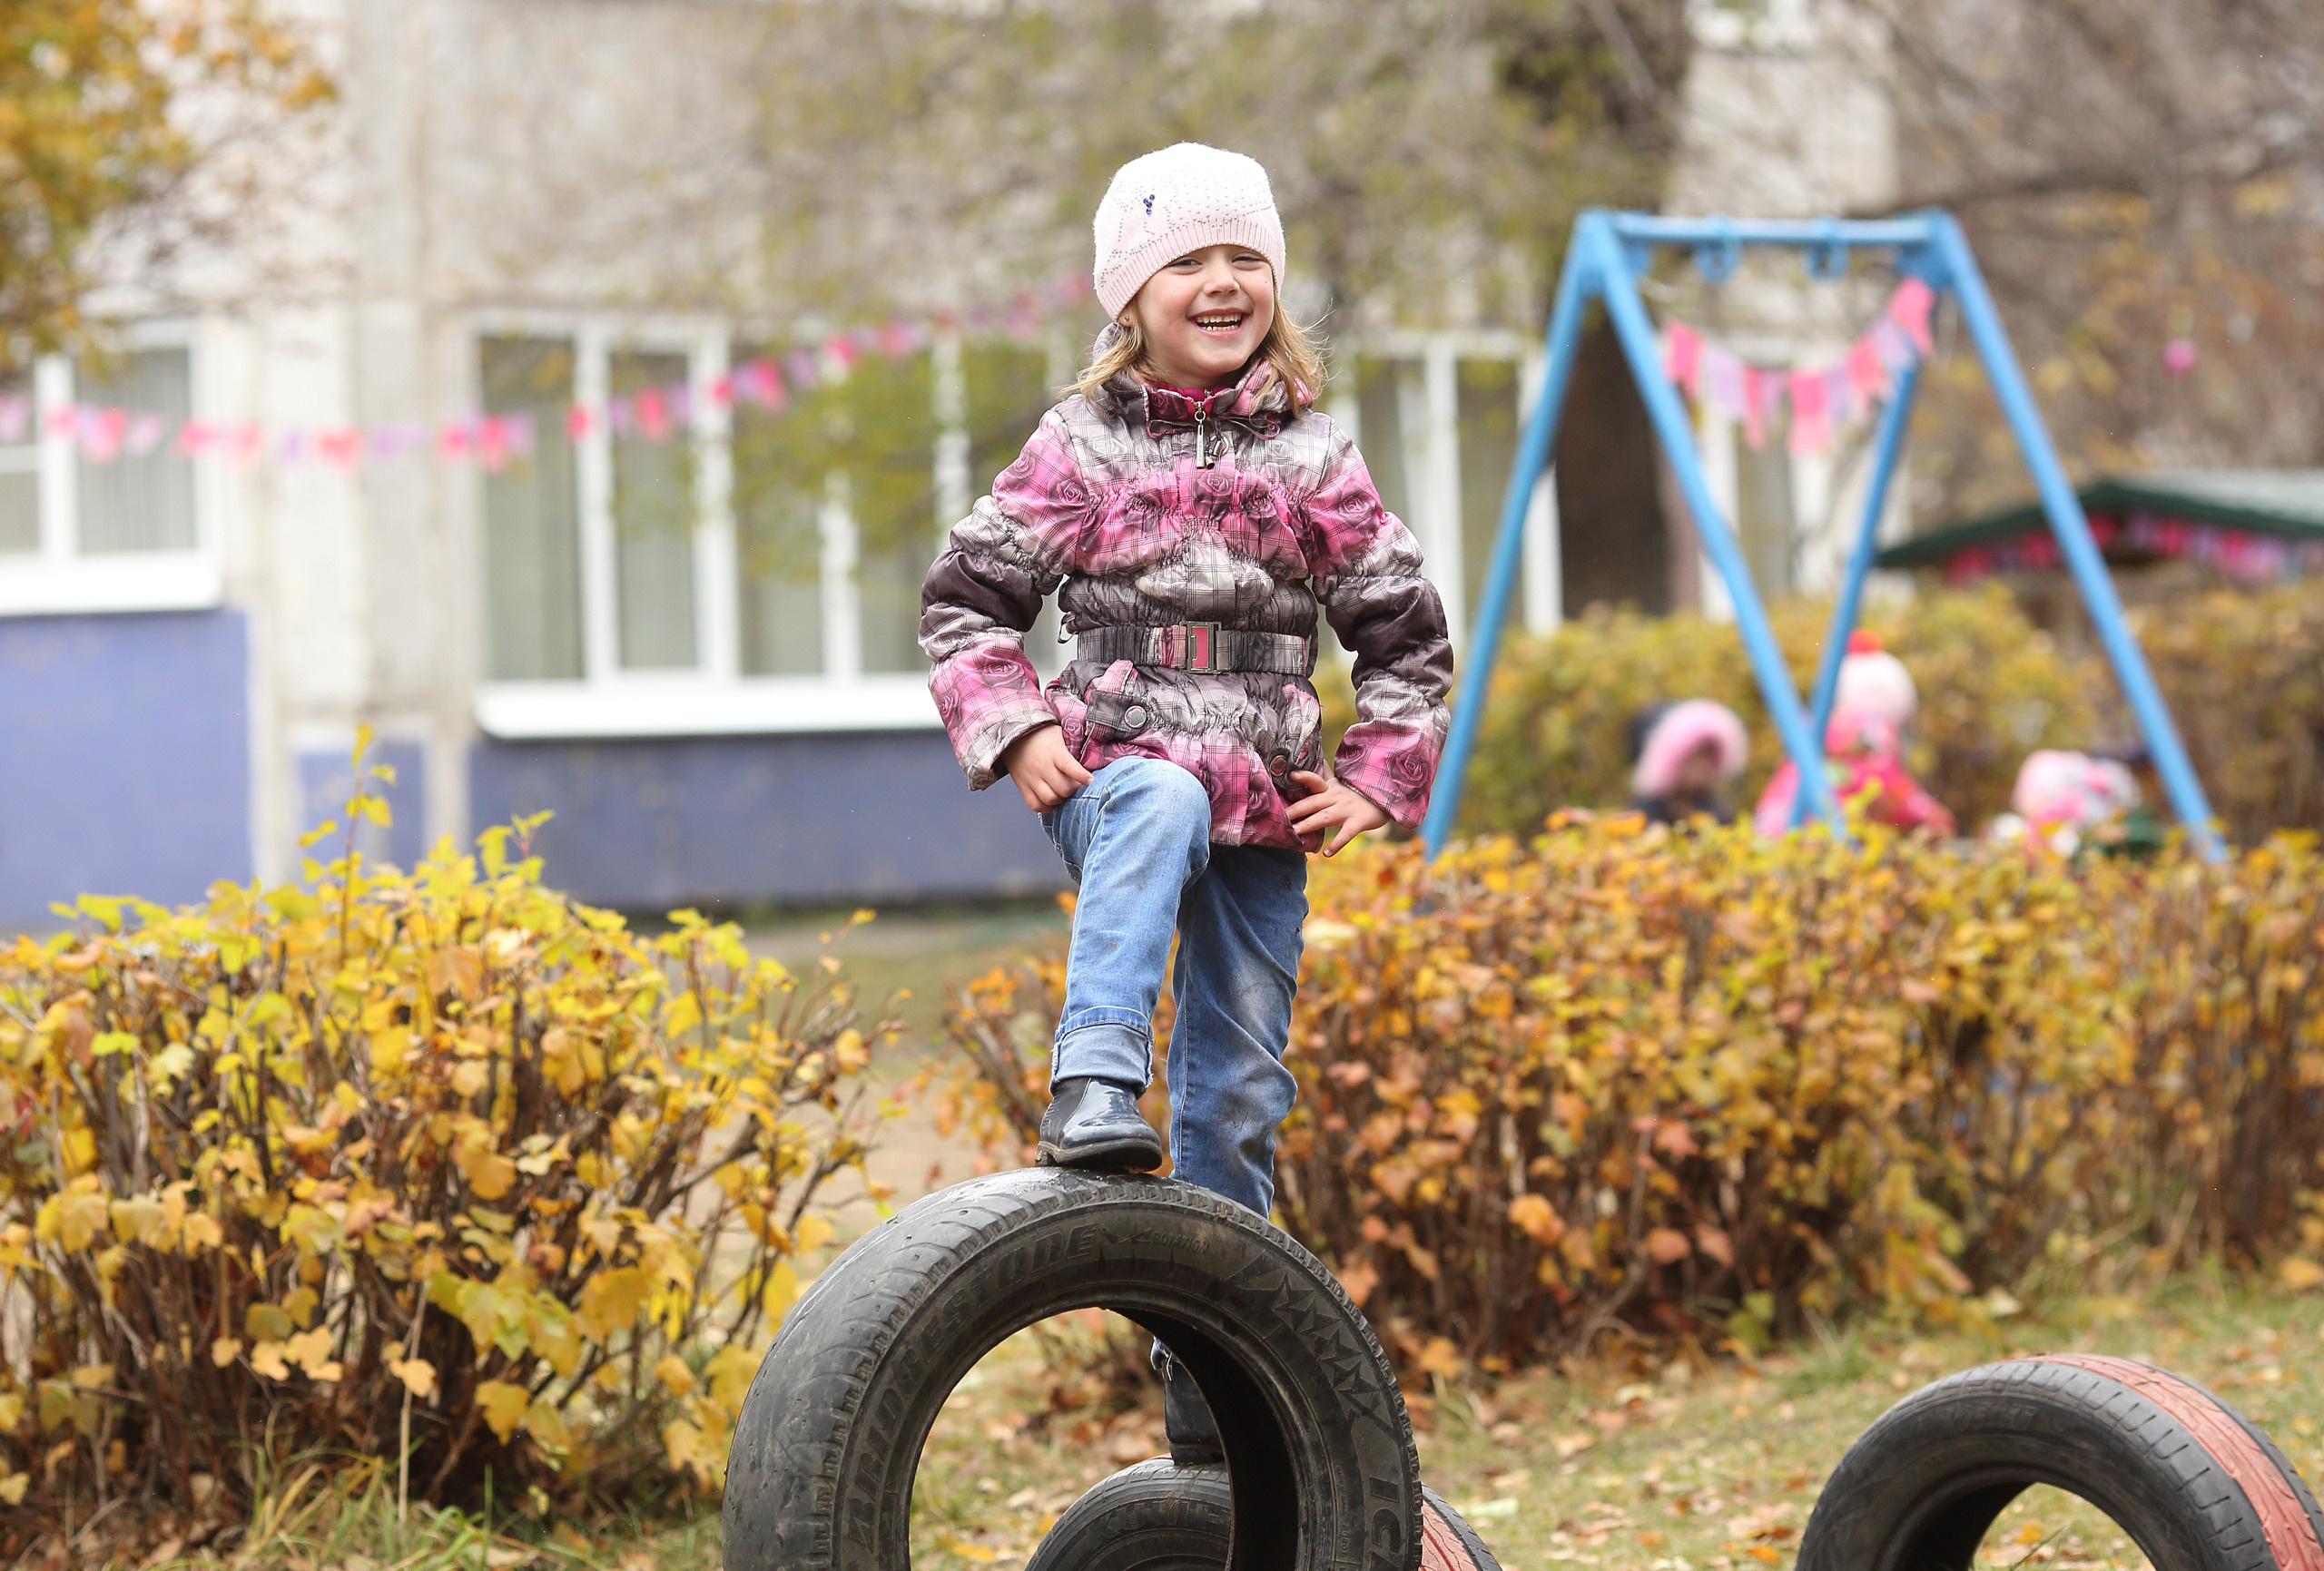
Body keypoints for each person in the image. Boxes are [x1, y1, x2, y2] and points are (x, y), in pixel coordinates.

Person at [920, 143, 1452, 1462]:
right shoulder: (1079, 445)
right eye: (1189, 262)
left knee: (1237, 1092)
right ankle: (1092, 1081)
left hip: (1268, 805)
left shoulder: (1315, 459)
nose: (1224, 282)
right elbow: (965, 603)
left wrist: (1380, 780)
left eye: (1246, 259)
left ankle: (1213, 1367)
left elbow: (1406, 639)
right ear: (1130, 294)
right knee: (1155, 795)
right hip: (1112, 770)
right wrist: (1017, 726)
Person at [1752, 631, 1955, 836]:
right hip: (1819, 836)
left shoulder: (1818, 728)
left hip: (1773, 830)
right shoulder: (1872, 734)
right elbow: (1891, 788)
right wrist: (1931, 814)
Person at [1626, 699, 1748, 825]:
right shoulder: (1643, 817)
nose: (1703, 766)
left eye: (1708, 757)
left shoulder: (1720, 815)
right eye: (1696, 757)